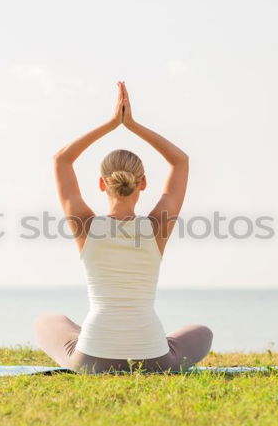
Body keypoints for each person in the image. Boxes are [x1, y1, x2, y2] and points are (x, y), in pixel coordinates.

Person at [34, 81, 213, 373]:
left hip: (92, 359)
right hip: (154, 359)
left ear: (102, 183)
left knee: (46, 322)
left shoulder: (85, 226)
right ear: (142, 183)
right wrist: (132, 125)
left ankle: (91, 338)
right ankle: (147, 339)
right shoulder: (157, 227)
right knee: (202, 332)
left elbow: (62, 159)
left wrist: (111, 123)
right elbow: (180, 161)